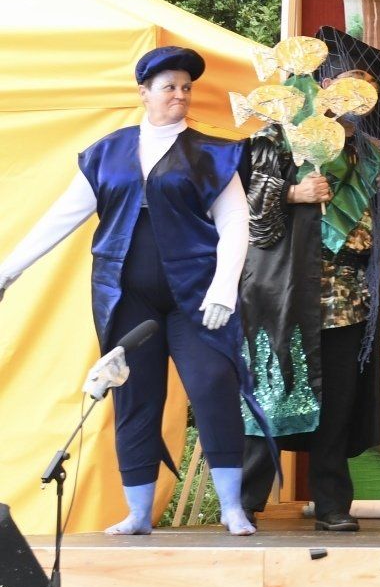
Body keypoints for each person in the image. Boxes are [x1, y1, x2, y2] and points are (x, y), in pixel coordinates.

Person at [0, 47, 260, 536]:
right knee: (135, 396)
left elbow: (234, 223)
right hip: (124, 297)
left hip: (196, 296)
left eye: (186, 87)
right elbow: (61, 218)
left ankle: (231, 506)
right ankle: (139, 513)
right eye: (169, 87)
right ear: (144, 93)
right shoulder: (107, 152)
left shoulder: (212, 152)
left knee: (212, 384)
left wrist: (225, 287)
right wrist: (7, 271)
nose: (179, 95)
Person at [237, 64, 380, 533]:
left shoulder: (370, 157)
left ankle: (331, 504)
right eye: (348, 89)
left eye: (365, 96)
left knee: (339, 406)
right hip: (287, 294)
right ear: (325, 89)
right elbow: (243, 205)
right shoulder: (281, 136)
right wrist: (294, 192)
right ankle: (245, 502)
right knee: (272, 394)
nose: (354, 102)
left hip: (348, 297)